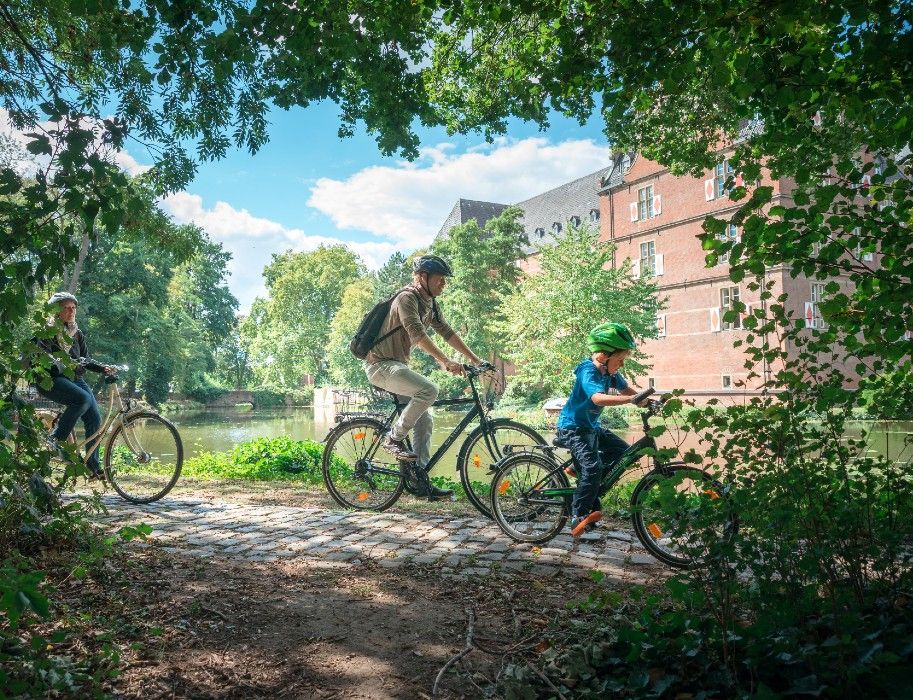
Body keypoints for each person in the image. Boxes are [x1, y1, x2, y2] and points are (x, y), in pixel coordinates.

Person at [365, 255, 485, 500]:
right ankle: (393, 438)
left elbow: (447, 332)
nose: (444, 284)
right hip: (380, 365)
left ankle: (420, 481)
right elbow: (417, 334)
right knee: (429, 390)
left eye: (444, 280)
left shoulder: (430, 303)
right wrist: (445, 361)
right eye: (440, 279)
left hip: (397, 366)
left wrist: (475, 359)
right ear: (422, 277)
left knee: (424, 418)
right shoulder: (406, 298)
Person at [555, 322, 643, 537]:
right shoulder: (588, 370)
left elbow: (626, 389)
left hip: (592, 428)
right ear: (604, 357)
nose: (621, 365)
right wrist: (631, 400)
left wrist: (647, 400)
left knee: (626, 453)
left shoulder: (610, 373)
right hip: (573, 428)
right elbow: (597, 398)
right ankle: (579, 513)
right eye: (620, 359)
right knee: (593, 469)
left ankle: (581, 472)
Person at [33, 292, 114, 478]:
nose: (71, 311)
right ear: (56, 311)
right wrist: (64, 364)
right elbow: (43, 361)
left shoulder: (77, 334)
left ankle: (92, 467)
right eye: (66, 308)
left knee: (95, 418)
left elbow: (85, 359)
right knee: (82, 398)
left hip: (75, 379)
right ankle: (55, 439)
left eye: (73, 308)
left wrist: (103, 368)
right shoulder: (46, 332)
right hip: (51, 380)